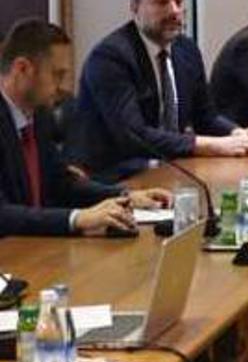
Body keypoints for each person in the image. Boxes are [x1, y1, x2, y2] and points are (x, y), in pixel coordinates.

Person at [70, 0, 248, 180]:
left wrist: (236, 133)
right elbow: (134, 136)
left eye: (179, 1)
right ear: (134, 7)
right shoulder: (110, 57)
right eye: (162, 2)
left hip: (170, 167)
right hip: (117, 175)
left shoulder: (186, 49)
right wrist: (214, 145)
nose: (174, 11)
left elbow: (206, 116)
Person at [1, 19, 170, 237]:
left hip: (33, 247)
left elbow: (60, 183)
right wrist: (77, 218)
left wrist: (124, 196)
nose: (63, 86)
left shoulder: (39, 114)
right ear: (22, 69)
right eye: (57, 75)